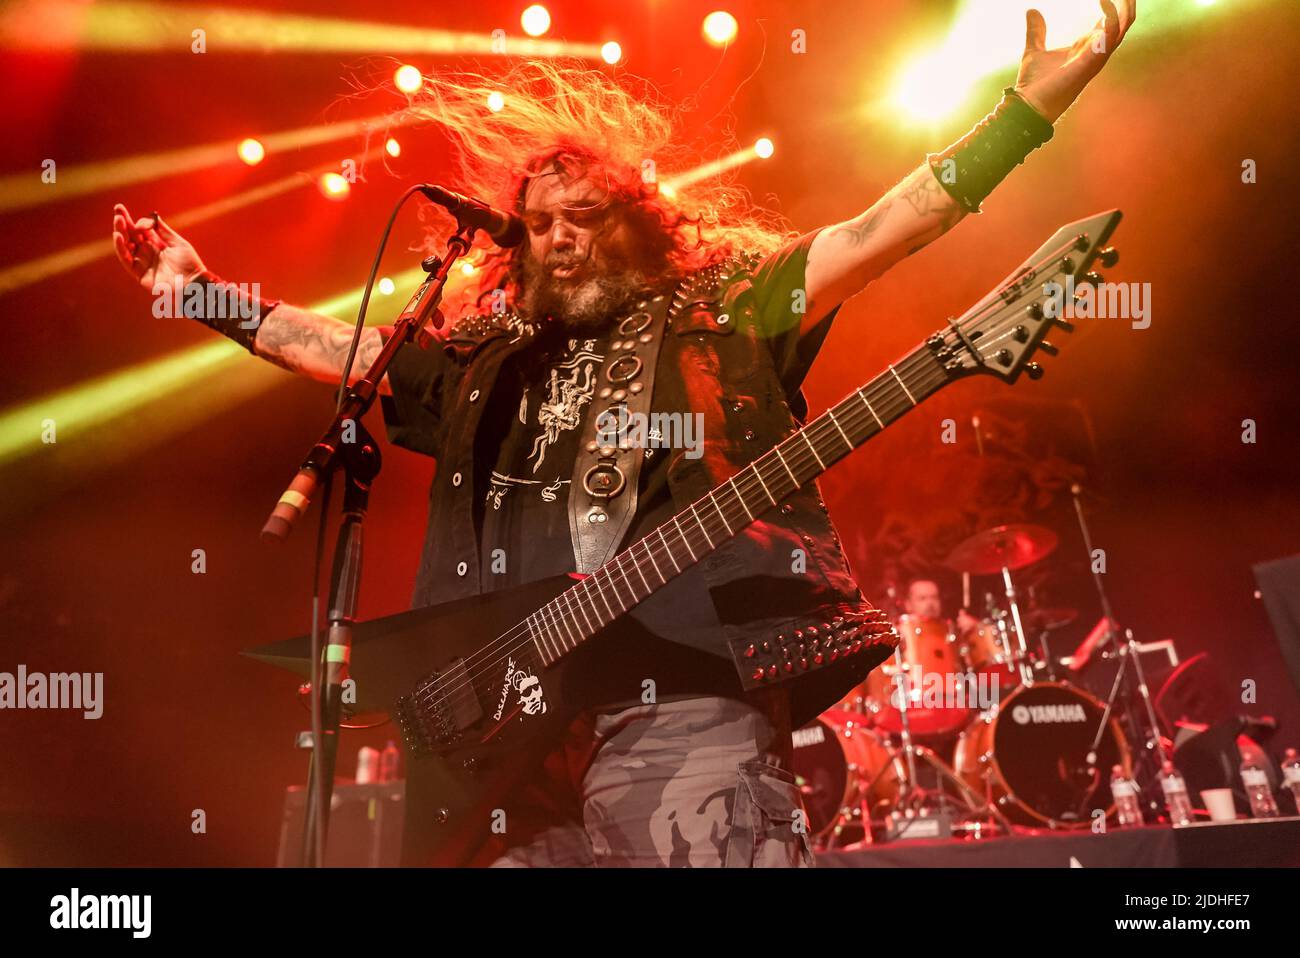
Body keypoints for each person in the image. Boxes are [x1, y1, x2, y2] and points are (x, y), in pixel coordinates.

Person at [111, 3, 1134, 866]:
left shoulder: (725, 301)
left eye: (586, 215)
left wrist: (1027, 106)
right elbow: (334, 345)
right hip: (503, 726)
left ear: (636, 220)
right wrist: (201, 296)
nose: (559, 237)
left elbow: (883, 229)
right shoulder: (483, 355)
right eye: (540, 222)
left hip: (677, 686)